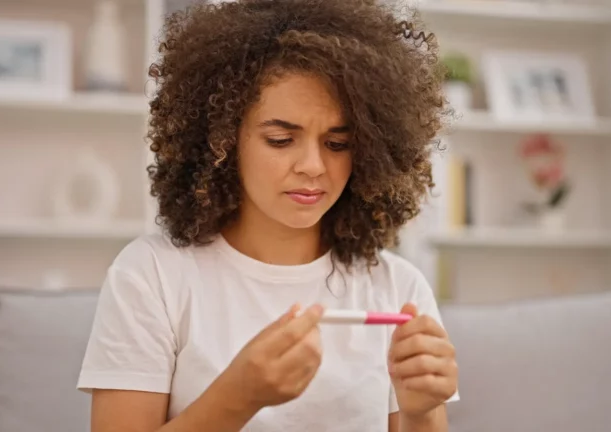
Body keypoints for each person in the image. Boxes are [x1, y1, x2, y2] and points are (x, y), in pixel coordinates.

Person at [77, 0, 459, 431]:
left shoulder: (396, 287)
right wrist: (239, 397)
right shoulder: (151, 276)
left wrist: (421, 409)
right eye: (280, 139)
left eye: (337, 144)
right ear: (222, 140)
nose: (313, 166)